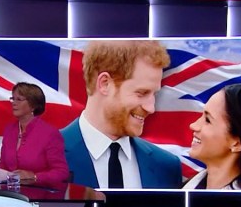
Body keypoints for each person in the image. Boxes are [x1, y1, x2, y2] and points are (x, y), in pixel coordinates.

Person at [61, 40, 182, 189]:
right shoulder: (40, 159)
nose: (151, 108)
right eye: (142, 93)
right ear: (105, 84)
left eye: (154, 94)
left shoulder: (166, 168)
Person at [0, 82, 69, 185]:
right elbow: (3, 166)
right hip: (11, 192)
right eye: (13, 99)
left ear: (33, 105)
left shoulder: (50, 134)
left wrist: (34, 177)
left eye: (19, 99)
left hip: (40, 192)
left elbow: (61, 172)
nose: (14, 103)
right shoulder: (9, 130)